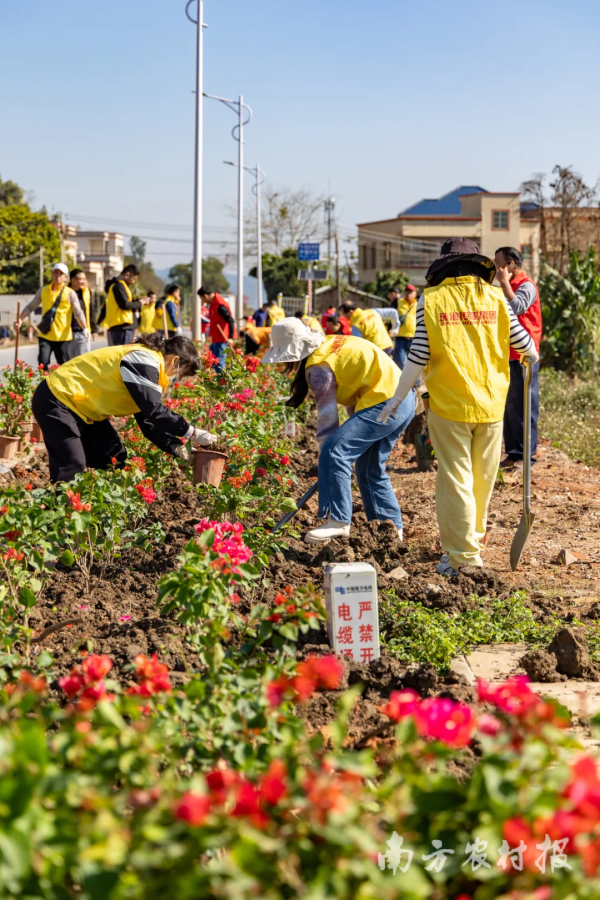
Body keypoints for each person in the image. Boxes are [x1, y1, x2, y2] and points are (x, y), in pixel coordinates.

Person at [378, 238, 539, 576]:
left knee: (456, 479)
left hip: (450, 406)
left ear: (444, 267)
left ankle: (463, 557)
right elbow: (525, 345)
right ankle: (470, 545)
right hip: (492, 404)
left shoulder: (431, 300)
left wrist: (396, 398)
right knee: (482, 480)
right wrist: (531, 358)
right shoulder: (496, 297)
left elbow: (418, 355)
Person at [261, 318, 415, 543]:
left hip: (387, 402)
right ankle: (390, 530)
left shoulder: (318, 368)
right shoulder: (330, 345)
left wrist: (329, 461)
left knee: (335, 451)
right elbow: (358, 387)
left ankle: (339, 521)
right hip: (403, 399)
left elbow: (327, 423)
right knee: (369, 467)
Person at [31, 332, 217, 483]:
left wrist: (176, 447)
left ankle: (103, 507)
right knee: (72, 466)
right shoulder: (144, 360)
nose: (177, 379)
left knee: (113, 455)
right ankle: (59, 520)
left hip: (81, 407)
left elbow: (148, 421)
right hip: (57, 399)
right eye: (181, 374)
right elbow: (154, 410)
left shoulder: (150, 366)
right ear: (175, 361)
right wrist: (192, 432)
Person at [494, 246, 543, 470]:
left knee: (525, 407)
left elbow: (519, 307)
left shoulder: (526, 285)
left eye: (499, 264)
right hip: (508, 355)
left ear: (512, 264)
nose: (496, 269)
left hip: (526, 356)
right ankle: (513, 453)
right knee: (510, 407)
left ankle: (527, 456)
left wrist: (504, 284)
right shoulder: (506, 287)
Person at [17, 262, 89, 369]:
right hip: (45, 334)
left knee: (64, 366)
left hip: (63, 336)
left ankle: (62, 386)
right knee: (43, 363)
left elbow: (78, 312)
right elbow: (30, 307)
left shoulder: (70, 293)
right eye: (56, 273)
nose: (58, 276)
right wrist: (20, 319)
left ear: (65, 277)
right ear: (52, 274)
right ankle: (44, 385)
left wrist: (85, 328)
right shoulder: (43, 290)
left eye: (61, 274)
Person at [99, 264, 147, 346]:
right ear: (127, 274)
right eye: (134, 278)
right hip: (121, 326)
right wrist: (140, 303)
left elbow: (126, 302)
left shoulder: (120, 285)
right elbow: (125, 304)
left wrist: (138, 301)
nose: (133, 281)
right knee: (122, 355)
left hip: (120, 326)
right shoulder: (119, 286)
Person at [198, 286, 235, 373]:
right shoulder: (213, 303)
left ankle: (223, 385)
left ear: (206, 296)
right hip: (215, 339)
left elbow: (230, 320)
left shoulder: (219, 305)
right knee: (214, 362)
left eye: (202, 299)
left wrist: (230, 337)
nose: (203, 301)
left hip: (221, 340)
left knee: (219, 364)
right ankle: (219, 383)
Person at [68, 269, 98, 358]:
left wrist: (94, 330)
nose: (83, 282)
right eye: (80, 279)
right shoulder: (65, 292)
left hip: (83, 332)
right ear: (73, 280)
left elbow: (91, 311)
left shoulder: (87, 292)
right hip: (67, 333)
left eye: (84, 279)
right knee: (68, 361)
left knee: (82, 360)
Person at [393, 284, 418, 369]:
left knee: (415, 361)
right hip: (400, 337)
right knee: (401, 361)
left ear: (415, 293)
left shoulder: (418, 305)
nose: (409, 294)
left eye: (411, 292)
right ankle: (402, 380)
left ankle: (416, 382)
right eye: (407, 292)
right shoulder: (398, 302)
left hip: (414, 338)